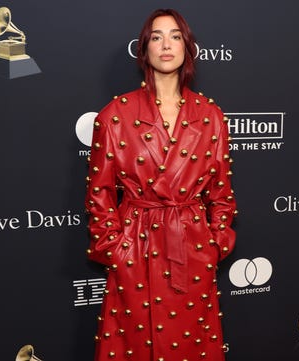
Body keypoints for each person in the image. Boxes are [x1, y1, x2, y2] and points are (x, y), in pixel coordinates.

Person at [85, 8, 237, 361]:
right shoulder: (116, 114)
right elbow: (99, 194)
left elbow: (222, 194)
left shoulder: (211, 115)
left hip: (193, 247)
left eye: (175, 36)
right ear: (144, 49)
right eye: (156, 36)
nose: (166, 44)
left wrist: (215, 242)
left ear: (187, 47)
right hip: (136, 251)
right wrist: (116, 250)